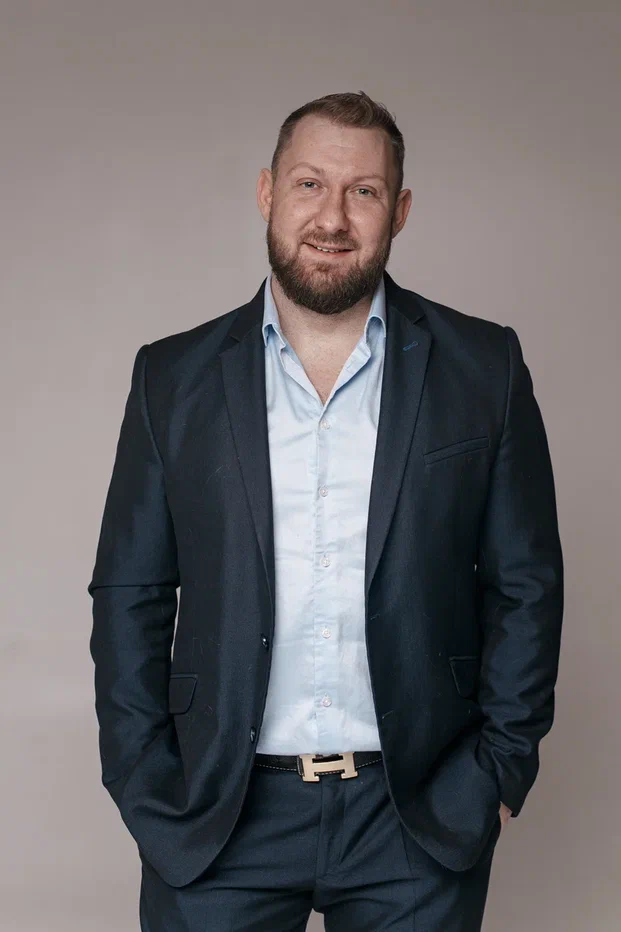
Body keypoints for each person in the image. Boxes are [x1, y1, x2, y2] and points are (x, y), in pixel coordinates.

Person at [88, 91, 564, 931]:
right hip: (214, 813)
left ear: (399, 210)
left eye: (363, 191)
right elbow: (130, 592)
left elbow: (526, 585)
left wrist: (496, 773)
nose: (333, 218)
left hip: (417, 815)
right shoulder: (171, 377)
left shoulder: (482, 367)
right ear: (267, 192)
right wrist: (140, 777)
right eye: (309, 184)